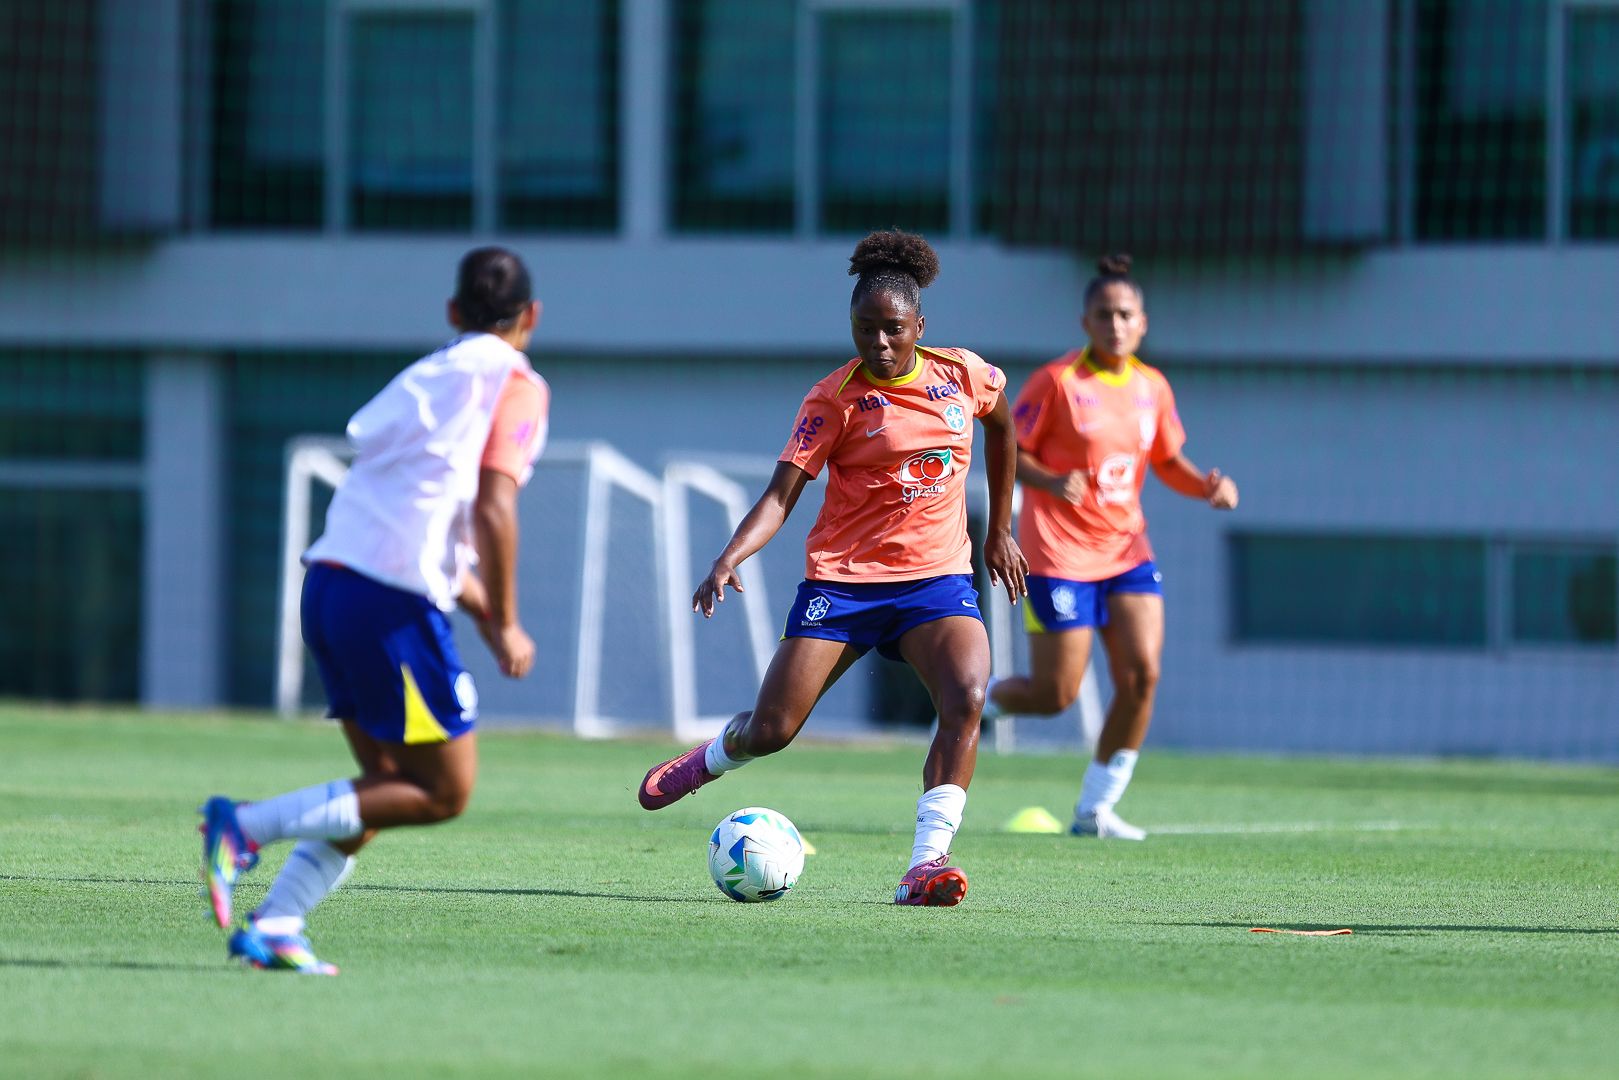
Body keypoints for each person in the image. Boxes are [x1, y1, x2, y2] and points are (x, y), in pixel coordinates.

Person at [636, 229, 1028, 907]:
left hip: (935, 582)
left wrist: (998, 532)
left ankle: (926, 864)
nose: (879, 343)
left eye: (893, 329)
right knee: (772, 731)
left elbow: (1003, 427)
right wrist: (729, 556)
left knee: (966, 696)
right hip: (843, 585)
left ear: (919, 327)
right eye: (864, 329)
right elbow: (779, 496)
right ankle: (710, 759)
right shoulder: (834, 400)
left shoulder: (964, 374)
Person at [196, 246, 549, 974]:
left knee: (382, 787)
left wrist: (486, 616)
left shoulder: (426, 380)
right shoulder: (514, 381)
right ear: (532, 317)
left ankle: (277, 924)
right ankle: (243, 827)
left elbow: (422, 519)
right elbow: (494, 506)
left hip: (329, 587)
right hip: (389, 604)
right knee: (443, 791)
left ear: (453, 312)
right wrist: (509, 620)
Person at [983, 254, 1237, 840]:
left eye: (1125, 315)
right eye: (1104, 314)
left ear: (1142, 323)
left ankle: (1095, 811)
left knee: (1143, 675)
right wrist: (1051, 481)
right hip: (1059, 555)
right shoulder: (1058, 382)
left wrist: (1205, 486)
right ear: (1086, 322)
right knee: (1056, 695)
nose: (1115, 324)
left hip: (1127, 553)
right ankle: (978, 697)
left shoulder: (1153, 387)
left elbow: (1167, 460)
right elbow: (1008, 447)